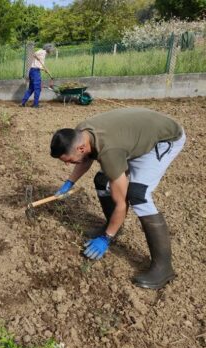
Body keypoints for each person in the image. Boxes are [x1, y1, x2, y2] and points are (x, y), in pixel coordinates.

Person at [50, 108, 186, 289]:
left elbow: (122, 204)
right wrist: (70, 182)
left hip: (163, 140)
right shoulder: (82, 132)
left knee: (138, 195)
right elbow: (86, 157)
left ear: (80, 147)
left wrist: (106, 239)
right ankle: (113, 226)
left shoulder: (109, 151)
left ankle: (164, 267)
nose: (67, 164)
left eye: (68, 160)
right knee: (102, 180)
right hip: (135, 137)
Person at [21, 43, 55, 108]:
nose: (51, 52)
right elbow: (38, 64)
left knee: (31, 88)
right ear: (48, 49)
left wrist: (44, 69)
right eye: (51, 50)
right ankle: (35, 104)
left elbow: (36, 57)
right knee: (38, 88)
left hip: (32, 71)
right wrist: (44, 69)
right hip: (35, 72)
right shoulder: (43, 53)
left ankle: (23, 102)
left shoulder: (40, 51)